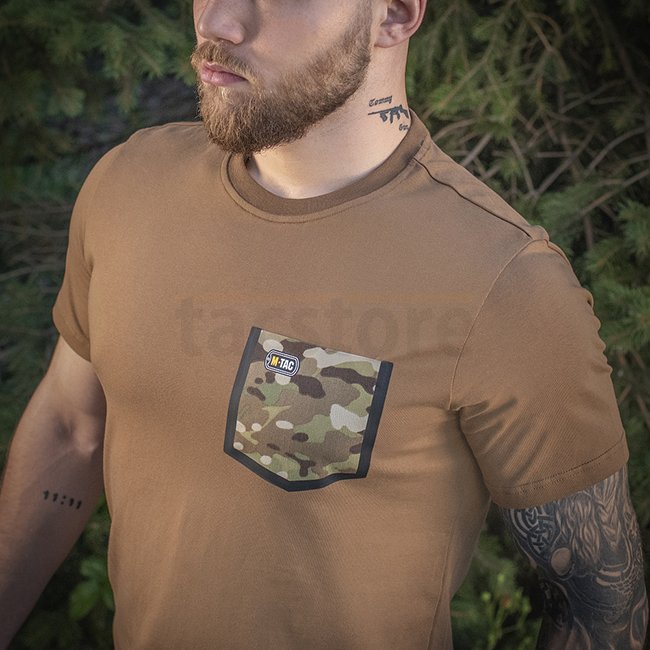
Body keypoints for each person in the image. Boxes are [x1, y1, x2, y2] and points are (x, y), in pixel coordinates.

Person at [1, 0, 647, 647]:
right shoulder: (129, 184)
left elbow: (599, 602)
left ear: (395, 14)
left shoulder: (505, 283)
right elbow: (70, 429)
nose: (217, 22)